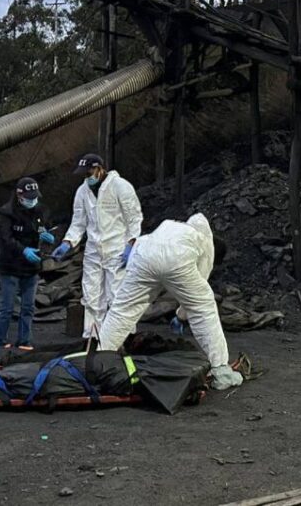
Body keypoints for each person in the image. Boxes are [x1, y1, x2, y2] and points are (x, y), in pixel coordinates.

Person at [98, 213, 243, 390]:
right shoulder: (205, 243)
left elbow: (143, 242)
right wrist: (181, 317)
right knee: (204, 308)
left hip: (142, 255)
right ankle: (221, 369)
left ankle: (99, 361)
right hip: (176, 258)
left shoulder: (173, 227)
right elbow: (195, 295)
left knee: (122, 311)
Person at [53, 153, 143, 337]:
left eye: (89, 172)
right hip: (94, 252)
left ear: (100, 169)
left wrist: (131, 245)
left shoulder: (120, 187)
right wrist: (67, 242)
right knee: (91, 297)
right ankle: (93, 338)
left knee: (117, 296)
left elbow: (134, 218)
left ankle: (124, 338)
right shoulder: (82, 192)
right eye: (84, 174)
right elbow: (78, 222)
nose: (87, 177)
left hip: (118, 251)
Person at [0, 177, 54, 350]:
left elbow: (44, 227)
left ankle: (24, 341)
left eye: (34, 197)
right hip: (10, 265)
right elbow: (6, 238)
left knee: (28, 307)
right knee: (7, 307)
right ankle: (0, 340)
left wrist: (46, 235)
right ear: (19, 196)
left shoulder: (40, 210)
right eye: (28, 198)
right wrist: (23, 250)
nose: (32, 201)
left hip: (31, 267)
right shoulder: (6, 212)